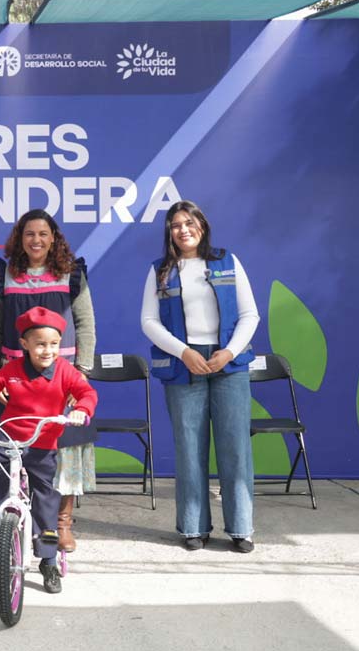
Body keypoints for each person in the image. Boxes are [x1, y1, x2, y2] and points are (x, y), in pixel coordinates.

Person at [140, 200, 259, 552]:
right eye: (175, 225)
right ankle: (193, 528)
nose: (183, 230)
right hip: (184, 364)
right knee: (189, 448)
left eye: (189, 222)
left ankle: (241, 528)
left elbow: (250, 314)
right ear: (169, 232)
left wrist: (230, 352)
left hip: (228, 364)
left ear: (202, 226)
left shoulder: (227, 260)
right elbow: (148, 321)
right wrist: (184, 352)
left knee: (235, 447)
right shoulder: (160, 269)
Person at [0, 306, 97, 594]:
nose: (48, 351)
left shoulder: (65, 372)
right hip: (8, 442)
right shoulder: (13, 370)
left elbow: (87, 393)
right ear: (25, 345)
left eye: (54, 344)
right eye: (41, 344)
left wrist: (82, 409)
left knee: (46, 498)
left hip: (43, 445)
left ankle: (47, 561)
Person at [0, 209, 95, 552]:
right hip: (13, 383)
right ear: (20, 238)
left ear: (54, 238)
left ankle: (60, 525)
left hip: (61, 381)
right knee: (7, 456)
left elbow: (86, 322)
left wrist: (82, 373)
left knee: (65, 455)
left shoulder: (72, 273)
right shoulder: (7, 273)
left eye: (43, 234)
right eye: (29, 234)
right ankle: (4, 526)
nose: (36, 240)